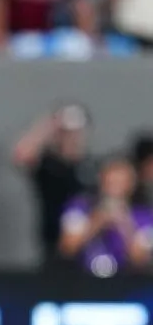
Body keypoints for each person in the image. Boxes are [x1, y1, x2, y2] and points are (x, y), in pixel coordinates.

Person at [12, 103, 96, 268]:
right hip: (53, 243)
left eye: (76, 133)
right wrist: (48, 126)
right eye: (67, 133)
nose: (72, 137)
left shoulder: (89, 166)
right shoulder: (48, 164)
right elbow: (21, 156)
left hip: (89, 245)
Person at [59, 153, 153, 277]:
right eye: (110, 182)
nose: (115, 188)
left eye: (120, 182)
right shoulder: (80, 206)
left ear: (131, 185)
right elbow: (68, 248)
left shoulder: (144, 216)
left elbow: (140, 259)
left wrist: (124, 223)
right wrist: (98, 220)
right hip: (82, 278)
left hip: (124, 280)